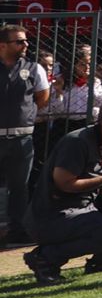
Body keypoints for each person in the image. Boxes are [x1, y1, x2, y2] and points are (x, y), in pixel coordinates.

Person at [21, 98, 102, 284]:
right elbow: (65, 183)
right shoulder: (77, 141)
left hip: (82, 211)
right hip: (51, 216)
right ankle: (45, 258)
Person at [1, 22, 54, 245]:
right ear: (3, 45)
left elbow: (42, 97)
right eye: (19, 41)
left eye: (26, 40)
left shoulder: (34, 68)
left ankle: (17, 230)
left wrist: (25, 114)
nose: (26, 45)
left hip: (22, 137)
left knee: (19, 187)